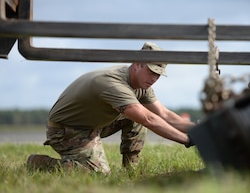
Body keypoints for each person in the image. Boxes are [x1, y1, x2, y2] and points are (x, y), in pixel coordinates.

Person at [27, 42, 195, 174]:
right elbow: (149, 119)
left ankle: (130, 169)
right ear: (137, 64)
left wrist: (200, 129)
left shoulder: (142, 85)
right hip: (66, 130)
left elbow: (164, 114)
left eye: (158, 74)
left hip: (93, 123)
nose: (154, 78)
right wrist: (187, 140)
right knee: (97, 174)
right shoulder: (113, 82)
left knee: (138, 115)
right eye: (151, 71)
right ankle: (41, 163)